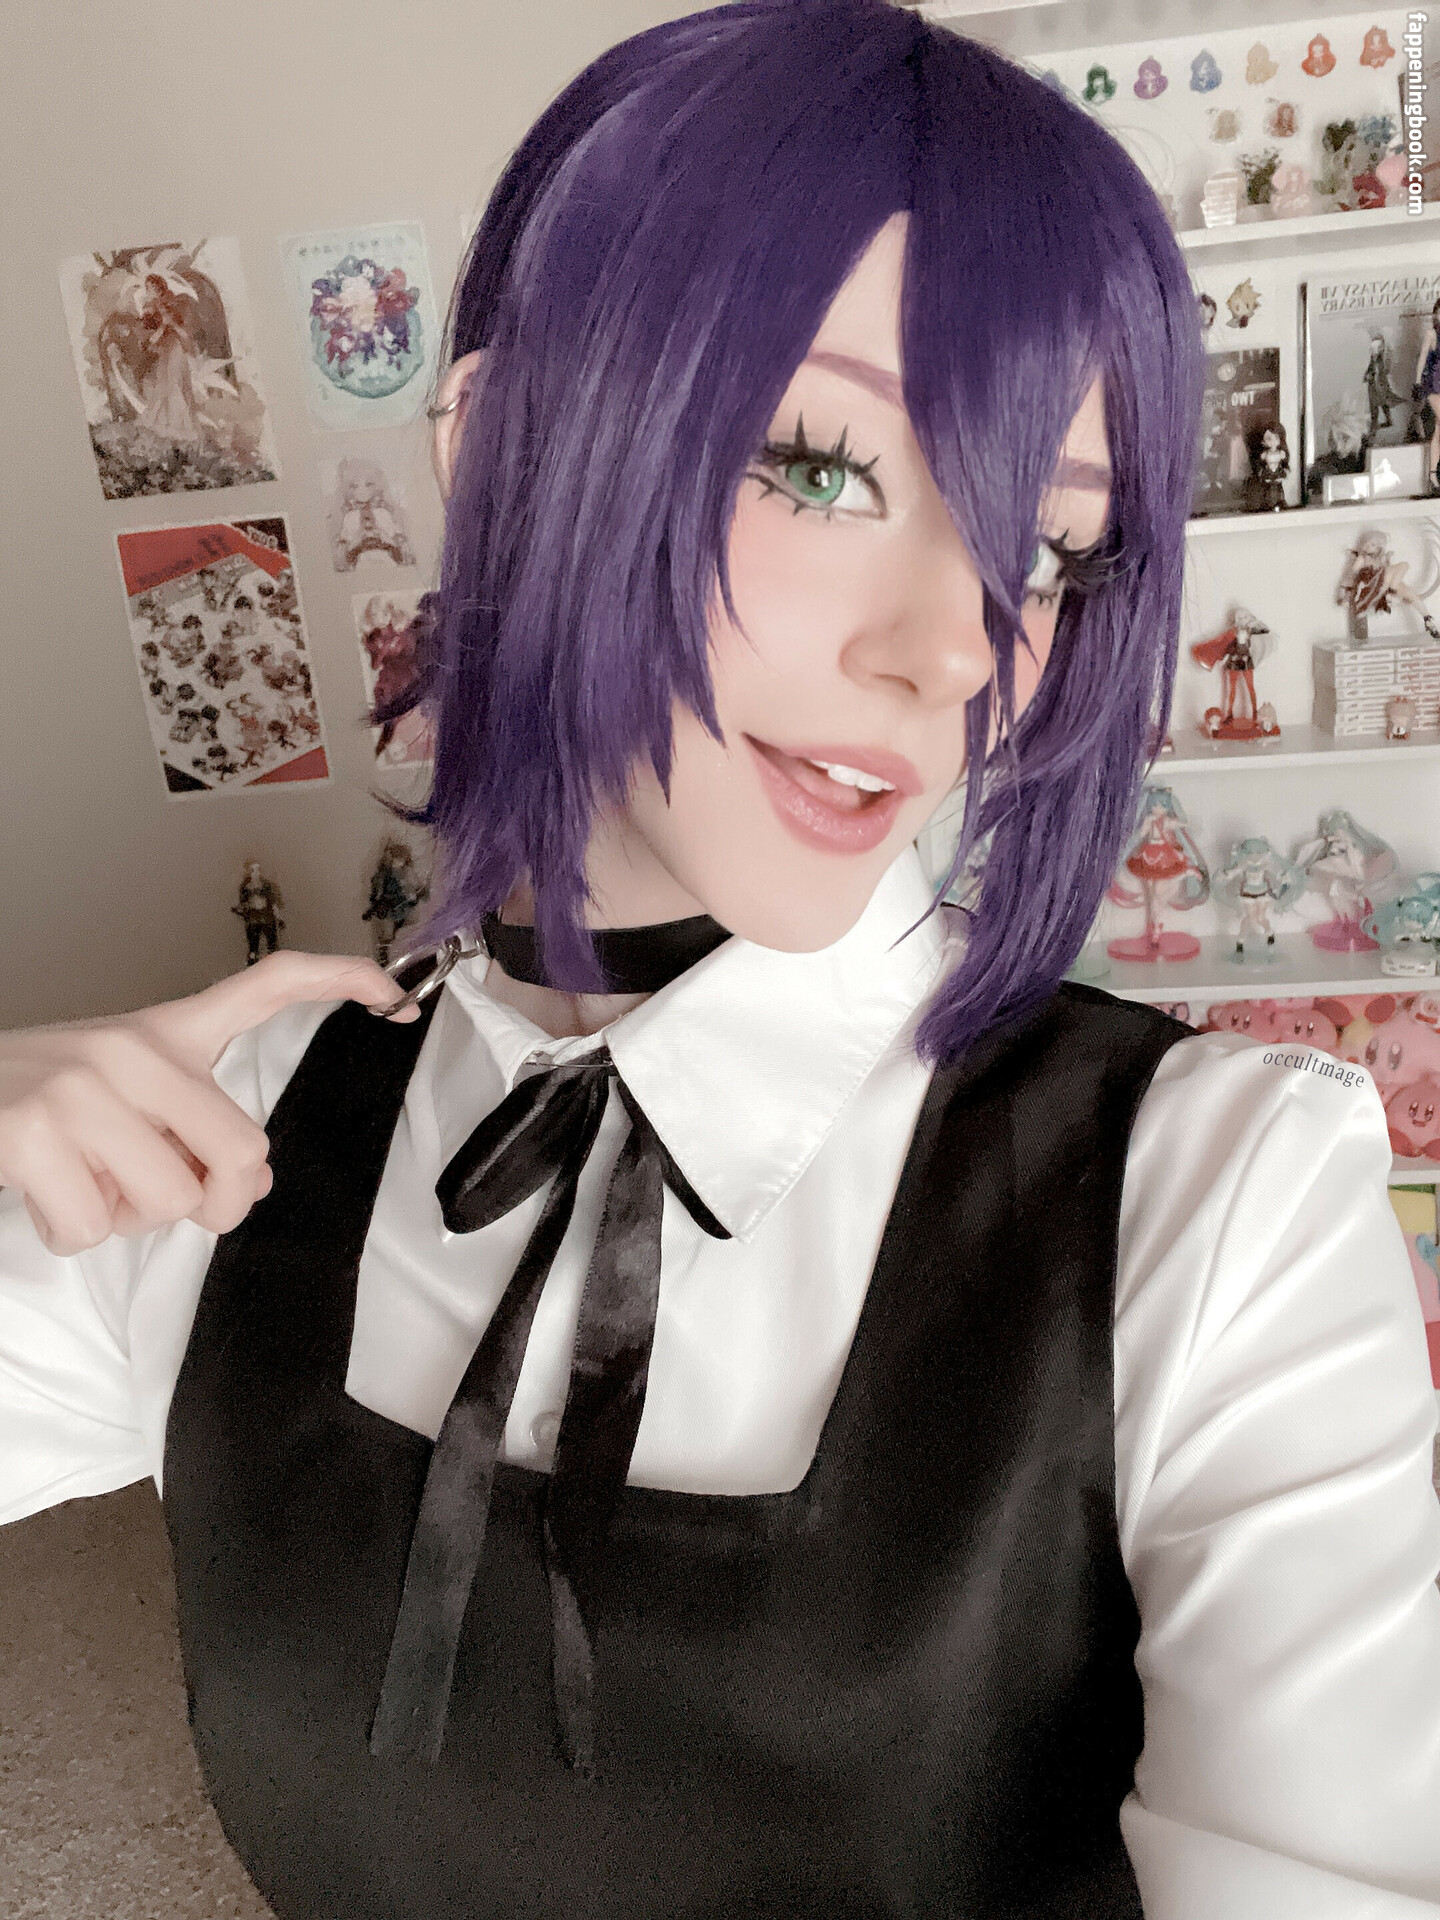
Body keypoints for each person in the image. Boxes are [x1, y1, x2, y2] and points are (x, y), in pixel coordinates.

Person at [1, 4, 1438, 1917]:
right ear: (501, 449)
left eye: (1049, 553)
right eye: (824, 468)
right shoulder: (228, 1132)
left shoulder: (1216, 1198)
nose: (953, 651)